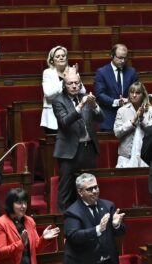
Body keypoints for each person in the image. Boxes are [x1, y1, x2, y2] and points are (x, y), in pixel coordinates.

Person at [52, 71, 102, 211]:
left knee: (90, 188)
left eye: (76, 83)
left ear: (80, 84)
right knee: (66, 190)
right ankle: (64, 224)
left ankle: (90, 218)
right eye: (70, 83)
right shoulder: (58, 100)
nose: (74, 86)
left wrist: (94, 106)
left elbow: (101, 118)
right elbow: (65, 122)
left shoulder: (86, 97)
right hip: (69, 152)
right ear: (64, 85)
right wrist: (80, 106)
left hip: (88, 149)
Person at [63, 173, 126, 264]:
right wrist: (97, 229)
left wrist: (116, 225)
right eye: (89, 189)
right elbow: (74, 236)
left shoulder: (108, 206)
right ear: (80, 192)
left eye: (96, 187)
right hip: (84, 261)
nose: (95, 191)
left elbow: (121, 232)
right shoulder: (72, 212)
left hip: (108, 260)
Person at [0, 188, 61, 264]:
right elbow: (1, 253)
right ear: (10, 204)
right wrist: (21, 243)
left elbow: (35, 249)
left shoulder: (30, 221)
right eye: (19, 203)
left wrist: (44, 239)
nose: (24, 206)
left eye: (25, 203)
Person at [94, 44, 137, 133]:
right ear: (112, 55)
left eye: (125, 58)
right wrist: (116, 102)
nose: (123, 61)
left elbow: (137, 91)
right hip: (108, 119)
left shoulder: (132, 72)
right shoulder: (102, 72)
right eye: (120, 58)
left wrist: (129, 100)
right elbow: (100, 94)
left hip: (128, 118)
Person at [113, 81, 152, 169]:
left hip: (145, 154)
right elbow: (117, 133)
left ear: (143, 95)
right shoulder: (122, 110)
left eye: (137, 93)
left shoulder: (151, 110)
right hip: (126, 156)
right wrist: (132, 122)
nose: (134, 95)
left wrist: (141, 119)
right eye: (131, 92)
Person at [40, 45, 79, 135]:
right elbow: (48, 94)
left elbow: (82, 92)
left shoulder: (72, 71)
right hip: (52, 118)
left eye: (63, 55)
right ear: (52, 60)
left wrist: (75, 75)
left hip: (71, 114)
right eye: (58, 56)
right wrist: (65, 80)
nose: (61, 58)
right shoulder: (48, 72)